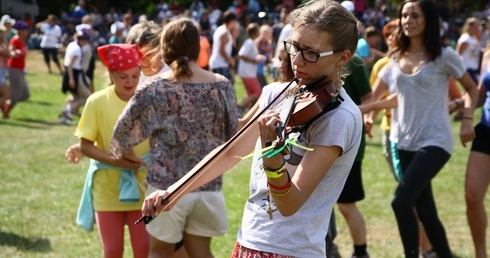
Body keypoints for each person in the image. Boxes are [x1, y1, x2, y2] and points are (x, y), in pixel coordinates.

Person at [140, 1, 362, 256]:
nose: (297, 60)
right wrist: (175, 191)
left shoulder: (339, 117)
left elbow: (290, 203)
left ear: (342, 57)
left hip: (291, 250)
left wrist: (270, 153)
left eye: (310, 52)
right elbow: (229, 152)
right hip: (249, 240)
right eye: (294, 47)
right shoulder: (275, 94)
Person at [109, 17, 238, 258]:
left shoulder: (155, 87)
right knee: (201, 254)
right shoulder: (222, 85)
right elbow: (234, 136)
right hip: (208, 187)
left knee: (159, 253)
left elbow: (122, 133)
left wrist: (132, 157)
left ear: (164, 49)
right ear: (197, 48)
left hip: (165, 190)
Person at [366, 0, 478, 257]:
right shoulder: (395, 57)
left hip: (435, 141)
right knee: (426, 211)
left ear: (428, 19)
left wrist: (468, 118)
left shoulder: (444, 56)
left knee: (401, 202)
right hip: (403, 141)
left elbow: (471, 89)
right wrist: (369, 114)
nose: (408, 20)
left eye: (415, 15)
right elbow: (376, 96)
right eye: (404, 15)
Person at [74, 43, 150, 258]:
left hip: (144, 185)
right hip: (107, 187)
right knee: (113, 251)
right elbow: (85, 145)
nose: (131, 82)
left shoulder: (147, 100)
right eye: (123, 76)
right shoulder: (96, 101)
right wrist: (120, 162)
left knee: (143, 249)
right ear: (111, 74)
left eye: (135, 76)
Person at [465, 44, 490, 258]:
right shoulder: (488, 53)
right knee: (472, 195)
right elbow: (481, 92)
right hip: (486, 131)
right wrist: (463, 109)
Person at [59, 29, 93, 125]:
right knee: (86, 96)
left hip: (71, 73)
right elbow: (70, 65)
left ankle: (64, 117)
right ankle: (68, 111)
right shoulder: (77, 49)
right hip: (74, 74)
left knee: (75, 97)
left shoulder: (72, 45)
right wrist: (71, 79)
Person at [4, 21, 30, 119]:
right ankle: (6, 114)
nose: (26, 32)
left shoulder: (22, 41)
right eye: (24, 30)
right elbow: (10, 50)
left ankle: (5, 102)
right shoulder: (15, 40)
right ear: (20, 31)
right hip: (14, 69)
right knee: (16, 95)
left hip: (20, 69)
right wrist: (14, 52)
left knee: (25, 94)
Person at [237, 23, 266, 112]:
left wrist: (257, 58)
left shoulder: (250, 42)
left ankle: (244, 109)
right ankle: (239, 108)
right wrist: (254, 61)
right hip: (247, 72)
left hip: (247, 72)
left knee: (250, 93)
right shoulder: (249, 42)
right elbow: (241, 54)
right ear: (255, 32)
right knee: (257, 92)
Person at [209, 10, 238, 83]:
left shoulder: (220, 29)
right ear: (232, 21)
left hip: (218, 64)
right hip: (220, 64)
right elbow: (221, 49)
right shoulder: (224, 32)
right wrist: (230, 59)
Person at [456, 17, 483, 84]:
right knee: (474, 87)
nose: (479, 28)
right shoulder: (465, 39)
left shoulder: (473, 37)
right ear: (471, 26)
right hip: (467, 67)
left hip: (474, 66)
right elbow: (458, 53)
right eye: (477, 26)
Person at [0, 26, 10, 118]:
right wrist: (6, 42)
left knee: (2, 95)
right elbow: (8, 55)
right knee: (7, 95)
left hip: (2, 72)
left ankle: (5, 115)